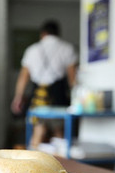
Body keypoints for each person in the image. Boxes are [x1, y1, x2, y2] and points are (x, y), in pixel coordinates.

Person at [11, 20, 77, 148]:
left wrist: (18, 97)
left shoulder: (32, 50)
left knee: (38, 131)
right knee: (59, 132)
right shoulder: (67, 48)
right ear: (58, 33)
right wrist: (76, 99)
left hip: (38, 95)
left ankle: (33, 164)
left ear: (43, 34)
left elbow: (23, 77)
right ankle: (61, 166)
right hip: (58, 94)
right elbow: (72, 79)